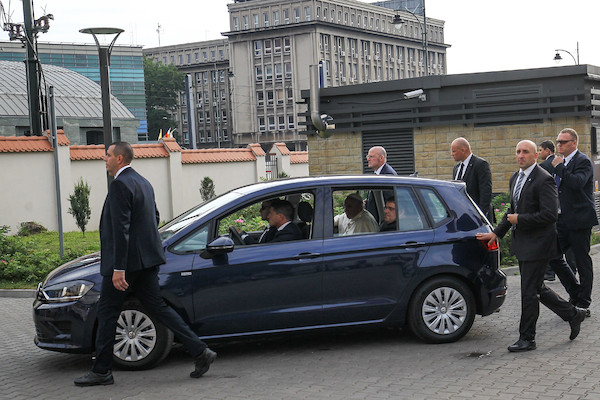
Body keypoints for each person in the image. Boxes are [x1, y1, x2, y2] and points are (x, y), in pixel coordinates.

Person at [74, 142, 216, 387]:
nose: (104, 159)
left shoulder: (120, 184)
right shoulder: (143, 182)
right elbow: (155, 218)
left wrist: (119, 268)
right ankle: (200, 350)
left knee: (107, 313)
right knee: (158, 308)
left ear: (119, 159)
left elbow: (121, 228)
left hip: (126, 265)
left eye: (107, 155)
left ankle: (101, 371)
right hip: (146, 261)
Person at [476, 140, 586, 352]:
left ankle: (527, 339)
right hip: (523, 244)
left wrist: (521, 219)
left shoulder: (544, 180)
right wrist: (496, 234)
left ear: (536, 156)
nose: (521, 155)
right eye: (518, 151)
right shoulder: (515, 177)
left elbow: (550, 214)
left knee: (528, 292)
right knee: (537, 289)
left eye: (525, 152)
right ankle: (573, 314)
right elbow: (511, 211)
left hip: (539, 245)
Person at [550, 128, 598, 315]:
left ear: (574, 143)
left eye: (563, 141)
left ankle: (583, 301)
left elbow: (577, 183)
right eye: (558, 141)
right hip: (561, 219)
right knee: (553, 256)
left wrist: (560, 168)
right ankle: (574, 291)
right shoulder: (557, 163)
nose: (559, 144)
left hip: (579, 220)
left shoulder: (583, 161)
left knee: (581, 260)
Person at [451, 137, 493, 221]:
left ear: (463, 150)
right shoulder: (456, 168)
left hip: (477, 217)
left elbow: (485, 192)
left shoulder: (480, 165)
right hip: (461, 216)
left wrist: (480, 217)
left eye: (454, 151)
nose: (452, 154)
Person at [538, 140, 557, 281]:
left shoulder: (544, 166)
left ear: (548, 151)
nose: (539, 153)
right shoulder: (559, 162)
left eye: (540, 150)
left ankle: (549, 272)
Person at [365, 146, 397, 222]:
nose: (368, 159)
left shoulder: (387, 175)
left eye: (371, 156)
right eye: (368, 156)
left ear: (381, 158)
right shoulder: (379, 174)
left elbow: (389, 202)